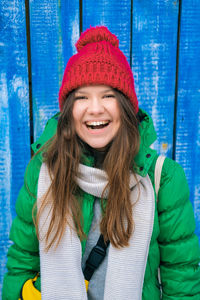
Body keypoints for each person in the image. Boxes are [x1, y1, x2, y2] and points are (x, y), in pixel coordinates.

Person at [2, 26, 200, 300]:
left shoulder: (163, 179)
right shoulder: (44, 171)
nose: (95, 109)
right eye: (82, 97)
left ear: (126, 107)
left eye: (108, 95)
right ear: (69, 110)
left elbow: (182, 279)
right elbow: (22, 262)